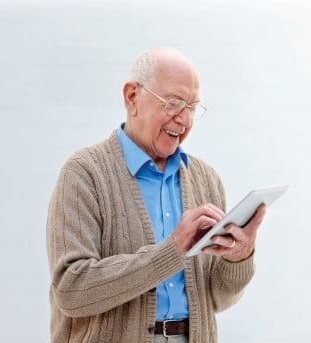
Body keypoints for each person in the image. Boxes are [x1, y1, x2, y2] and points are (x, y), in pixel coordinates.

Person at [46, 47, 267, 343]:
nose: (184, 120)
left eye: (192, 107)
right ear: (132, 97)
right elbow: (71, 291)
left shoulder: (206, 179)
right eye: (174, 103)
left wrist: (239, 258)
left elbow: (217, 300)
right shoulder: (84, 173)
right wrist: (171, 251)